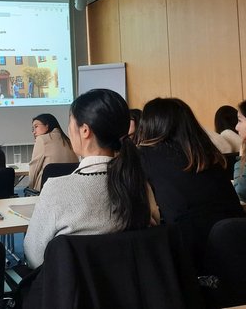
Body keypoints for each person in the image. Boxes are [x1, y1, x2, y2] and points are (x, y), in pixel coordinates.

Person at [23, 89, 159, 269]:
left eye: (70, 123)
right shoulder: (140, 184)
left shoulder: (57, 189)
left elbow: (34, 257)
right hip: (133, 284)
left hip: (73, 286)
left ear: (85, 130)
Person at [136, 97, 246, 271]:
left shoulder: (144, 156)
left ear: (148, 125)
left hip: (190, 250)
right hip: (239, 239)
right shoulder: (207, 152)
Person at [28, 113, 78, 192]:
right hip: (69, 190)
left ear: (47, 126)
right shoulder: (68, 141)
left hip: (47, 190)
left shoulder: (41, 139)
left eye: (36, 126)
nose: (34, 132)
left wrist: (30, 188)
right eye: (32, 129)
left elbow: (34, 168)